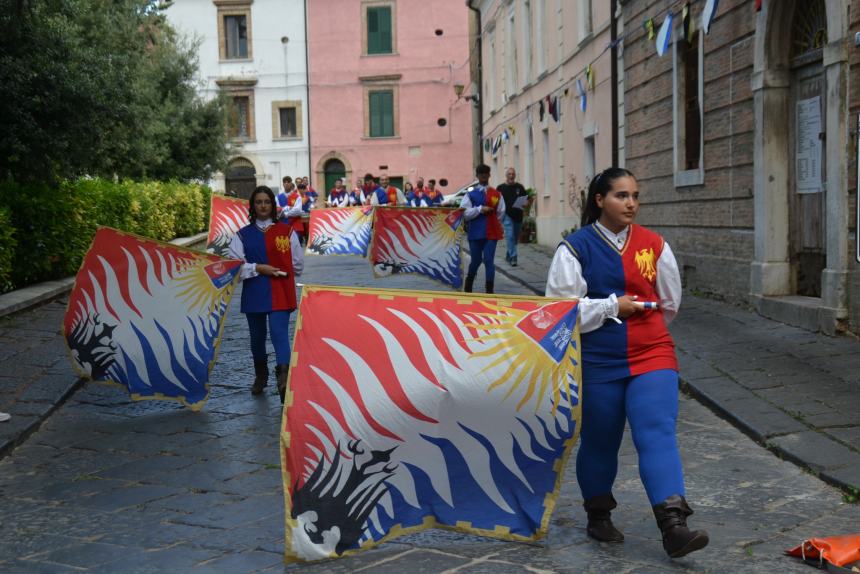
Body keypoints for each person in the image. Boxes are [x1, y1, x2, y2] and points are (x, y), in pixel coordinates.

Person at [544, 167, 708, 559]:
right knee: (602, 439)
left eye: (635, 195)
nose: (631, 203)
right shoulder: (574, 248)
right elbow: (559, 312)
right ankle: (598, 514)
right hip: (598, 359)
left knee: (656, 430)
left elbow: (669, 304)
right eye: (621, 195)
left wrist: (641, 328)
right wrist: (611, 307)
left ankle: (674, 527)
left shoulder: (655, 244)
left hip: (652, 352)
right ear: (600, 200)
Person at [228, 186, 304, 403]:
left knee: (279, 333)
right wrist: (259, 268)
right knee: (257, 337)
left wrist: (282, 272)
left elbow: (298, 264)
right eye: (259, 202)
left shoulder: (287, 232)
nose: (263, 206)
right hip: (254, 291)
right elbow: (235, 267)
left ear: (273, 205)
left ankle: (284, 380)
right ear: (253, 206)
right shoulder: (242, 235)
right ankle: (261, 374)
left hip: (280, 290)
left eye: (267, 202)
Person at [460, 164, 504, 293]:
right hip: (475, 233)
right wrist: (480, 209)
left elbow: (501, 213)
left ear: (489, 175)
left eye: (486, 173)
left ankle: (489, 290)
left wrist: (493, 223)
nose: (484, 175)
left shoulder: (496, 194)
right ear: (477, 176)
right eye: (481, 173)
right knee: (476, 260)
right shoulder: (470, 195)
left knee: (489, 260)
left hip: (491, 233)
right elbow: (465, 213)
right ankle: (469, 284)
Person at [497, 167, 529, 267]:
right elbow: (496, 201)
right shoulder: (500, 188)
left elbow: (526, 200)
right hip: (506, 215)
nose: (511, 176)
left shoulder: (520, 187)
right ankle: (514, 257)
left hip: (518, 216)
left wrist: (525, 203)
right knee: (509, 236)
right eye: (509, 174)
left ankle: (508, 254)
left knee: (514, 239)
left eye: (513, 174)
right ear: (506, 175)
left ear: (515, 175)